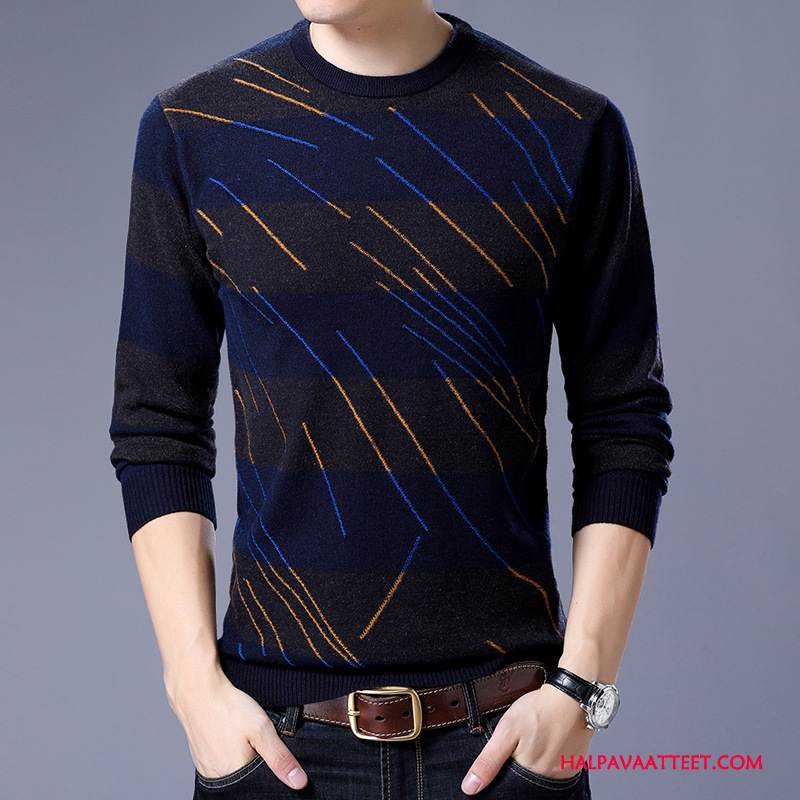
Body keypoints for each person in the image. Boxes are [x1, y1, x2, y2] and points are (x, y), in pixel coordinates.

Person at [108, 1, 675, 797]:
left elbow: (624, 421)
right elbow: (156, 425)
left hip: (505, 744)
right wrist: (191, 686)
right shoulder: (195, 129)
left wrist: (582, 689)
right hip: (277, 745)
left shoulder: (568, 129)